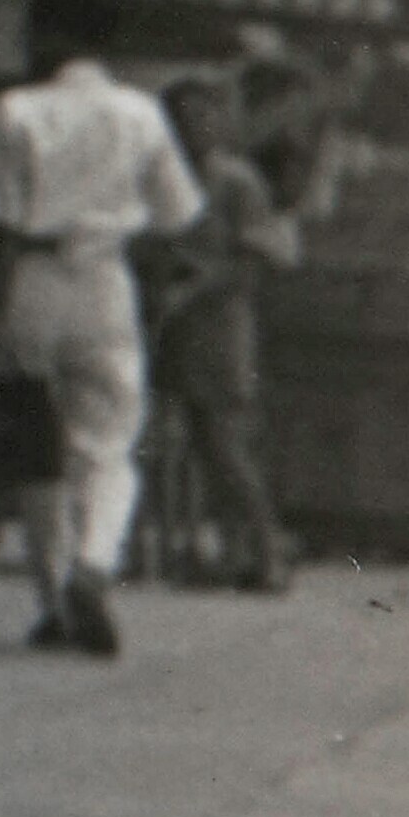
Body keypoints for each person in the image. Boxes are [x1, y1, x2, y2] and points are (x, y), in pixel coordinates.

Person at [0, 0, 202, 659]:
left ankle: (53, 603)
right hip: (106, 282)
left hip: (32, 277)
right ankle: (94, 565)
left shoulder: (16, 109)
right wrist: (152, 286)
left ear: (50, 35)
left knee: (34, 447)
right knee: (109, 439)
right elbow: (177, 219)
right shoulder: (142, 114)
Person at [135, 70, 291, 595]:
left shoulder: (237, 182)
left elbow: (254, 262)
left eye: (203, 116)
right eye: (180, 119)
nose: (192, 128)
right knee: (159, 442)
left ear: (221, 122)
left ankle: (265, 552)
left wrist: (193, 287)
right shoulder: (159, 179)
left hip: (219, 326)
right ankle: (166, 552)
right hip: (167, 324)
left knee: (223, 444)